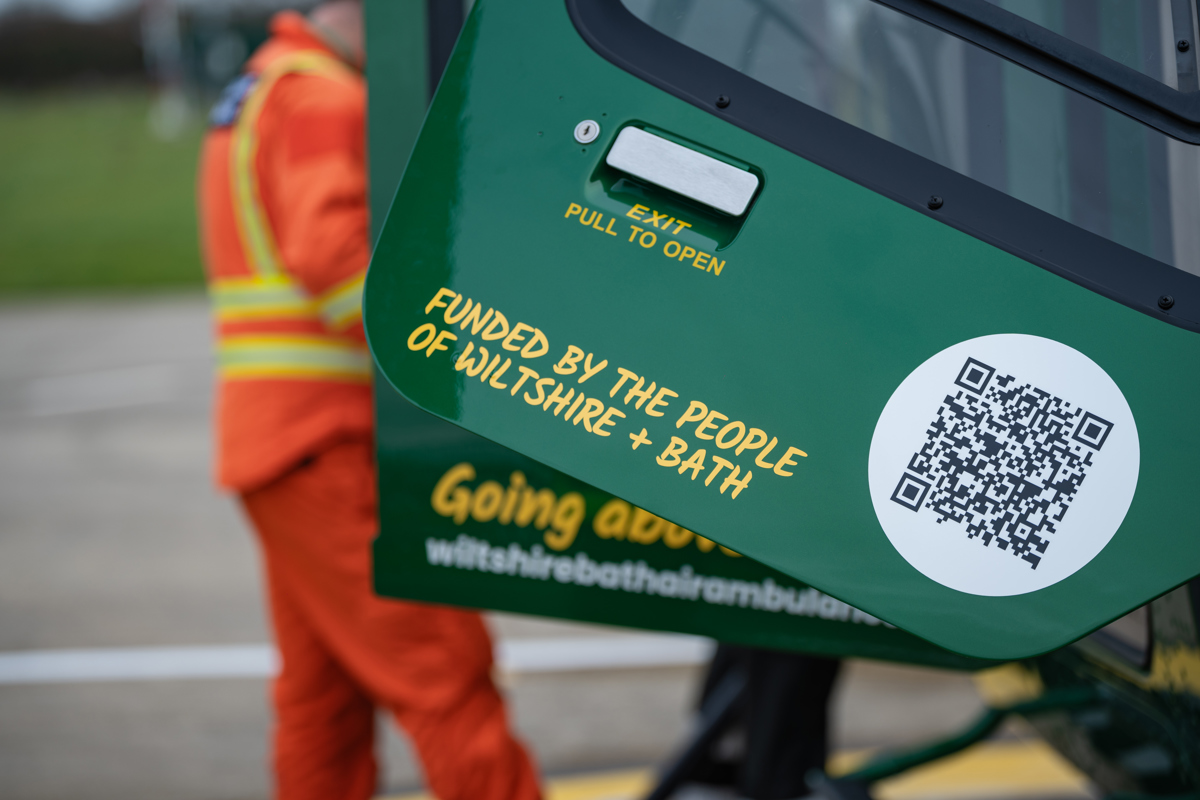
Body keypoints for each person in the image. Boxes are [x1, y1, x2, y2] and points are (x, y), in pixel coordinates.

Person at [197, 4, 542, 799]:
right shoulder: (322, 99)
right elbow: (343, 273)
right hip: (331, 444)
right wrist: (475, 352)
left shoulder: (259, 88)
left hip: (282, 450)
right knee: (444, 671)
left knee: (323, 700)